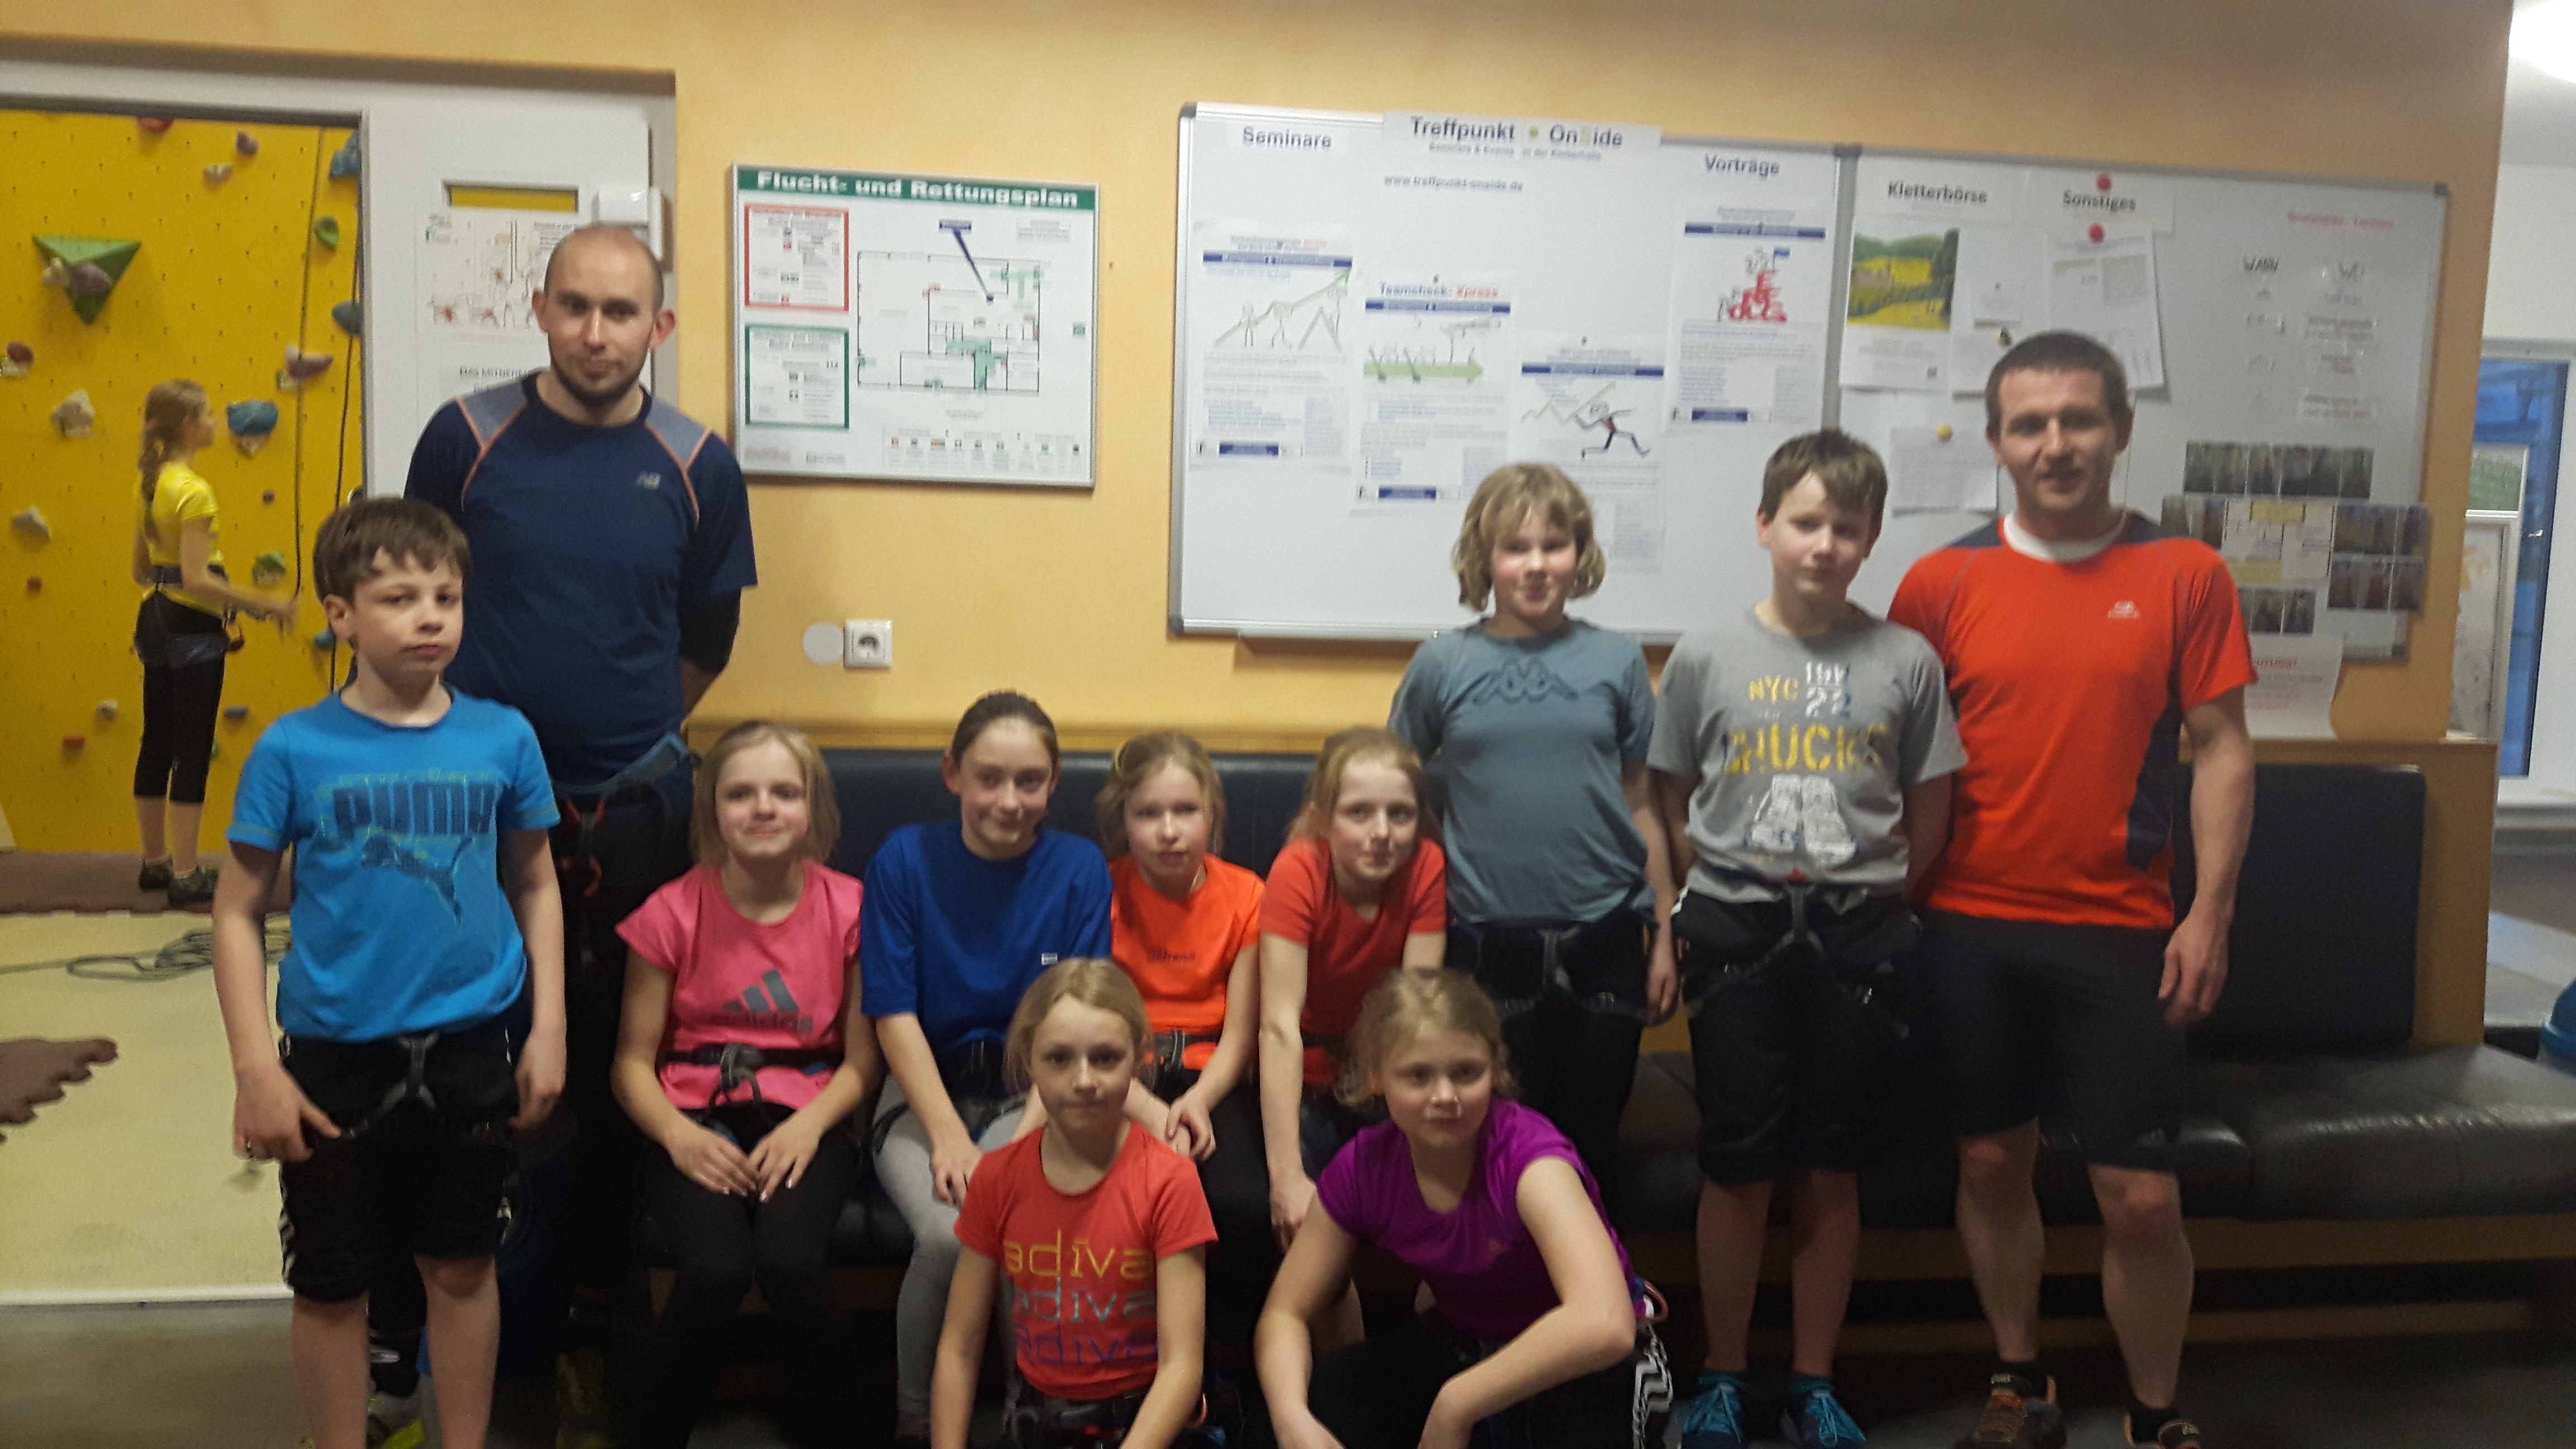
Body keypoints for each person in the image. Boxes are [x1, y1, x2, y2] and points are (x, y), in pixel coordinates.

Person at [406, 220, 756, 1447]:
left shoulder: (698, 462)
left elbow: (705, 642)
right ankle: (472, 1344)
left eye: (621, 313)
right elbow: (417, 596)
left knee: (616, 1082)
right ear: (541, 309)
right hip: (479, 818)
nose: (596, 333)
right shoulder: (465, 439)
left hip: (639, 815)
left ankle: (590, 1341)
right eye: (576, 307)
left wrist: (625, 739)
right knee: (479, 1076)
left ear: (660, 326)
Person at [1888, 333, 2255, 1449]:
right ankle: (2017, 1378)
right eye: (2029, 424)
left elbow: (2221, 746)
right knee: (1989, 1159)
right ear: (1996, 442)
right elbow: (1895, 760)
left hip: (2124, 931)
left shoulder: (2186, 574)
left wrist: (2209, 913)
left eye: (2078, 420)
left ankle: (2154, 1413)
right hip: (1964, 924)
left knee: (2139, 1197)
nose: (2055, 445)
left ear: (2120, 430)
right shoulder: (1939, 583)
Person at [207, 498, 566, 1449]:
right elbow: (236, 912)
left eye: (446, 597)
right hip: (335, 1055)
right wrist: (255, 1067)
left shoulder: (504, 738)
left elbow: (535, 882)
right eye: (399, 598)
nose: (429, 617)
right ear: (341, 616)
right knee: (332, 1283)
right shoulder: (293, 748)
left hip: (471, 1045)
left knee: (462, 1265)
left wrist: (549, 1027)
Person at [1649, 431, 1966, 1449]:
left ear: (1870, 539)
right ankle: (1723, 1373)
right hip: (1735, 927)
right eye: (1805, 522)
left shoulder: (1904, 661)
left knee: (1830, 1168)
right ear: (1763, 526)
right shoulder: (1706, 654)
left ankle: (1814, 1379)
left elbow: (1928, 810)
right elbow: (1668, 790)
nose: (1824, 544)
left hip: (1857, 933)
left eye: (1846, 527)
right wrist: (1696, 893)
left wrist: (1873, 892)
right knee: (1739, 1165)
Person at [1389, 462, 1677, 1200]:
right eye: (1516, 548)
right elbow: (1398, 788)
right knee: (1494, 1149)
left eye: (1555, 545)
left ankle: (1598, 1277)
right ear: (1484, 559)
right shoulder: (1442, 663)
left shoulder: (1617, 659)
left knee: (1591, 1147)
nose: (1537, 564)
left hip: (1606, 939)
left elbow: (1641, 802)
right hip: (1488, 947)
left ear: (1580, 554)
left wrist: (1666, 932)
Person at [1256, 970, 1669, 1449]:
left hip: (1582, 1362)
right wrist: (1291, 1419)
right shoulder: (1365, 1166)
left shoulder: (1531, 1161)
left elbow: (1605, 1324)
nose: (1445, 1097)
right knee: (1299, 1417)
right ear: (1375, 1076)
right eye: (1418, 1076)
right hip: (1465, 1345)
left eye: (1466, 1073)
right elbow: (1285, 1312)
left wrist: (1457, 1405)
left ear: (1494, 1065)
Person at [610, 721, 878, 1448]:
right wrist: (679, 1137)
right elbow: (631, 1064)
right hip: (693, 1117)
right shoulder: (671, 912)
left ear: (813, 810)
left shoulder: (853, 910)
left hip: (808, 1116)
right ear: (712, 810)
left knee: (792, 1265)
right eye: (741, 794)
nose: (763, 808)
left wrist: (809, 1127)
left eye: (784, 793)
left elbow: (862, 1063)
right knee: (714, 1271)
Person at [865, 691, 1114, 1449]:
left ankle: (1025, 1411)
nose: (1010, 801)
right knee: (949, 1237)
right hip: (923, 1093)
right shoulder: (903, 858)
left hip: (1032, 1096)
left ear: (1054, 782)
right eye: (989, 778)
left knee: (1015, 1225)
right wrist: (947, 1136)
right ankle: (915, 1418)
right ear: (953, 774)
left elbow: (1075, 1018)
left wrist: (1017, 1144)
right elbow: (892, 1013)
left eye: (1030, 781)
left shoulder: (1078, 868)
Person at [934, 960, 1221, 1449]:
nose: (1084, 1080)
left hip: (1145, 1427)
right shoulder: (998, 1179)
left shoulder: (1170, 1181)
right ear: (1029, 1062)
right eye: (1059, 1059)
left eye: (1106, 1058)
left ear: (1139, 1059)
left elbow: (1181, 1368)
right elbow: (959, 1349)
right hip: (1040, 1425)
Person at [1095, 732, 1272, 1352]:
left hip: (1212, 1077)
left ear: (1212, 815)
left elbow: (1241, 1033)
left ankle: (1226, 1369)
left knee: (1243, 1205)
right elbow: (1086, 1019)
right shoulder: (1099, 890)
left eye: (1185, 811)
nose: (1169, 831)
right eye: (1148, 814)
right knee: (1118, 1204)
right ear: (1124, 820)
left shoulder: (1248, 894)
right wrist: (1147, 1110)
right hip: (1119, 1079)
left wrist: (1197, 1102)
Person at [1258, 726, 1446, 1251]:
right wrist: (1286, 1179)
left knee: (1445, 1201)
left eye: (1400, 814)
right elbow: (1278, 1028)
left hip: (1380, 1070)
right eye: (1359, 813)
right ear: (1323, 817)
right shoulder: (1299, 870)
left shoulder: (1425, 864)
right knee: (1306, 1223)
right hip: (1303, 1074)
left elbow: (1415, 1012)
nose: (1382, 832)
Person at [127, 378, 297, 908]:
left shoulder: (150, 483)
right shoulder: (194, 491)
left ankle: (154, 860)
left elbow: (140, 568)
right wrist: (265, 604)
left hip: (155, 618)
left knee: (157, 739)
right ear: (187, 426)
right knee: (193, 746)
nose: (214, 423)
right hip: (192, 628)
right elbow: (199, 579)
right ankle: (186, 870)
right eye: (206, 414)